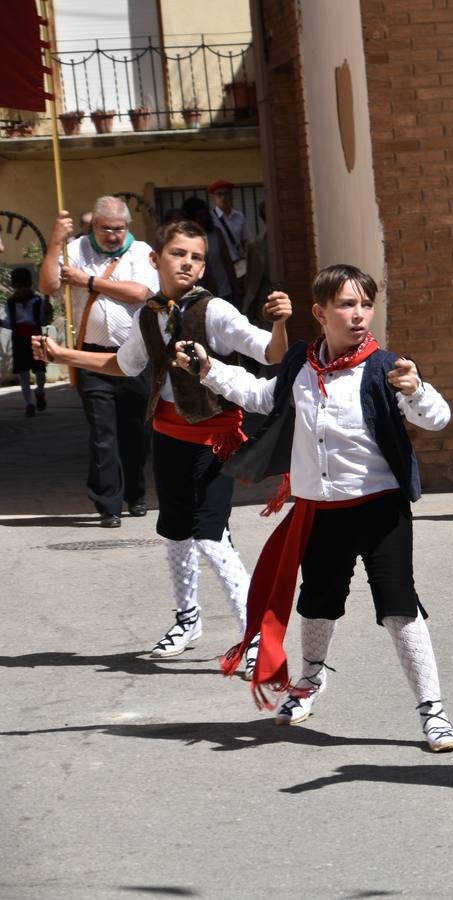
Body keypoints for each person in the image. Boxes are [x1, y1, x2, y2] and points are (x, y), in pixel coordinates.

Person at [183, 264, 453, 752]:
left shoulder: (386, 367)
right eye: (347, 305)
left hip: (379, 509)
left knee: (399, 608)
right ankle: (309, 681)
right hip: (320, 509)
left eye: (366, 304)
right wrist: (208, 369)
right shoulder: (301, 364)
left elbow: (437, 419)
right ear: (320, 312)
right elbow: (261, 396)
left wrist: (416, 390)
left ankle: (432, 712)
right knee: (317, 602)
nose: (359, 315)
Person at [34, 220, 291, 665]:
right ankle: (188, 619)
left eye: (196, 257)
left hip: (215, 438)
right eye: (178, 254)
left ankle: (254, 635)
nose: (187, 263)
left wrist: (281, 323)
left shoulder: (214, 311)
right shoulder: (149, 315)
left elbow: (272, 353)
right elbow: (124, 364)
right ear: (156, 259)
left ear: (203, 267)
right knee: (174, 531)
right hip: (168, 434)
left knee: (211, 536)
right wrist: (63, 355)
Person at [39, 197, 158, 527]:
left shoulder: (141, 252)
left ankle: (135, 493)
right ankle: (108, 504)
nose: (114, 235)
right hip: (91, 356)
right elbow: (48, 285)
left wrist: (88, 281)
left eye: (120, 229)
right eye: (106, 229)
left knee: (135, 432)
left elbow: (139, 292)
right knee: (102, 432)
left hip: (134, 355)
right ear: (93, 226)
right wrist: (55, 242)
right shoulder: (75, 250)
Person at [2, 267, 52, 416]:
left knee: (40, 371)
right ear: (14, 286)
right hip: (19, 340)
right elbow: (10, 323)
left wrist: (47, 309)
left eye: (24, 285)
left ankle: (40, 391)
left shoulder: (38, 300)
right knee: (23, 373)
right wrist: (1, 322)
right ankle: (29, 404)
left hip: (36, 337)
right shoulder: (10, 303)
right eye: (18, 286)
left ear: (29, 285)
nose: (21, 289)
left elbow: (43, 321)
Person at [208, 179, 252, 282]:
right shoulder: (211, 218)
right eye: (219, 194)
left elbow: (246, 241)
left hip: (239, 262)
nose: (223, 197)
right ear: (214, 197)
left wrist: (247, 259)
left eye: (226, 194)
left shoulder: (239, 216)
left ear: (231, 195)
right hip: (220, 264)